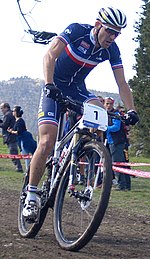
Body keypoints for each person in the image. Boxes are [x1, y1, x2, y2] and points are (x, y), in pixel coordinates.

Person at [23, 7, 139, 219]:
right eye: (110, 31)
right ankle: (31, 196)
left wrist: (131, 110)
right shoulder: (77, 31)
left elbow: (121, 83)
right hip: (55, 86)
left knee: (98, 111)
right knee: (47, 141)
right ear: (97, 25)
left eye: (117, 33)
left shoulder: (111, 50)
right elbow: (50, 54)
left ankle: (79, 155)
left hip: (77, 89)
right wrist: (49, 84)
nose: (112, 37)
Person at [104, 97, 131, 191]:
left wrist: (105, 127)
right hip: (110, 141)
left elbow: (116, 127)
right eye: (107, 104)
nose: (108, 106)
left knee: (118, 163)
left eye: (110, 104)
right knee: (121, 163)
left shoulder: (116, 114)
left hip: (117, 142)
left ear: (113, 104)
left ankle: (122, 185)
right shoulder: (105, 114)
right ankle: (125, 185)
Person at [7, 106, 37, 171]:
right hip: (21, 139)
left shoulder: (19, 121)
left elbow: (19, 132)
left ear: (16, 112)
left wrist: (11, 131)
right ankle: (29, 169)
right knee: (25, 156)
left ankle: (28, 170)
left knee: (25, 155)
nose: (12, 112)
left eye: (14, 111)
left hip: (24, 140)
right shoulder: (17, 121)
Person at [0, 103, 23, 172]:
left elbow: (4, 125)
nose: (1, 110)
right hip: (12, 136)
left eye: (2, 108)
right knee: (13, 152)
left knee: (13, 152)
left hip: (10, 137)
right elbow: (5, 123)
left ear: (6, 108)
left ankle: (19, 167)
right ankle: (18, 167)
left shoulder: (7, 115)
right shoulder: (10, 114)